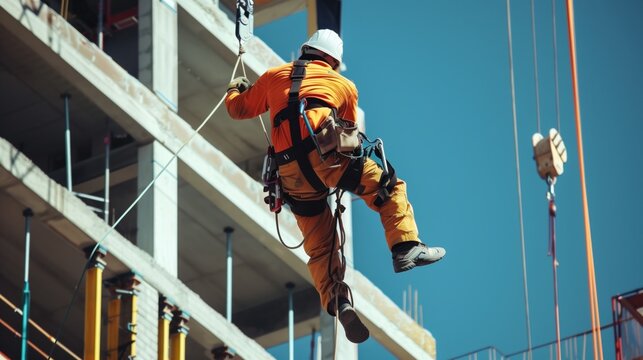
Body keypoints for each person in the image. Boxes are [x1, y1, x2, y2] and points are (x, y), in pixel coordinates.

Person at [225, 29, 446, 344]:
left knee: (321, 248)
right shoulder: (344, 85)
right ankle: (405, 247)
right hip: (328, 161)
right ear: (331, 60)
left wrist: (236, 89)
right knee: (388, 189)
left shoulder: (274, 76)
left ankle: (338, 301)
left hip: (291, 175)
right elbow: (347, 132)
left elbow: (237, 109)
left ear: (307, 51)